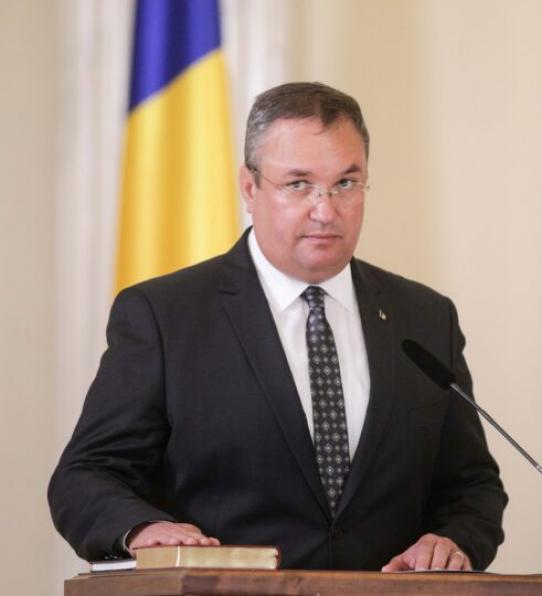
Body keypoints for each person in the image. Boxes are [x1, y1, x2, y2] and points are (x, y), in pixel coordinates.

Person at [48, 82, 507, 571]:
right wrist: (142, 529)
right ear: (250, 188)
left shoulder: (425, 318)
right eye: (298, 184)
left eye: (346, 184)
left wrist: (452, 540)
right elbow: (86, 476)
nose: (326, 211)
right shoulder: (166, 316)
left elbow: (471, 486)